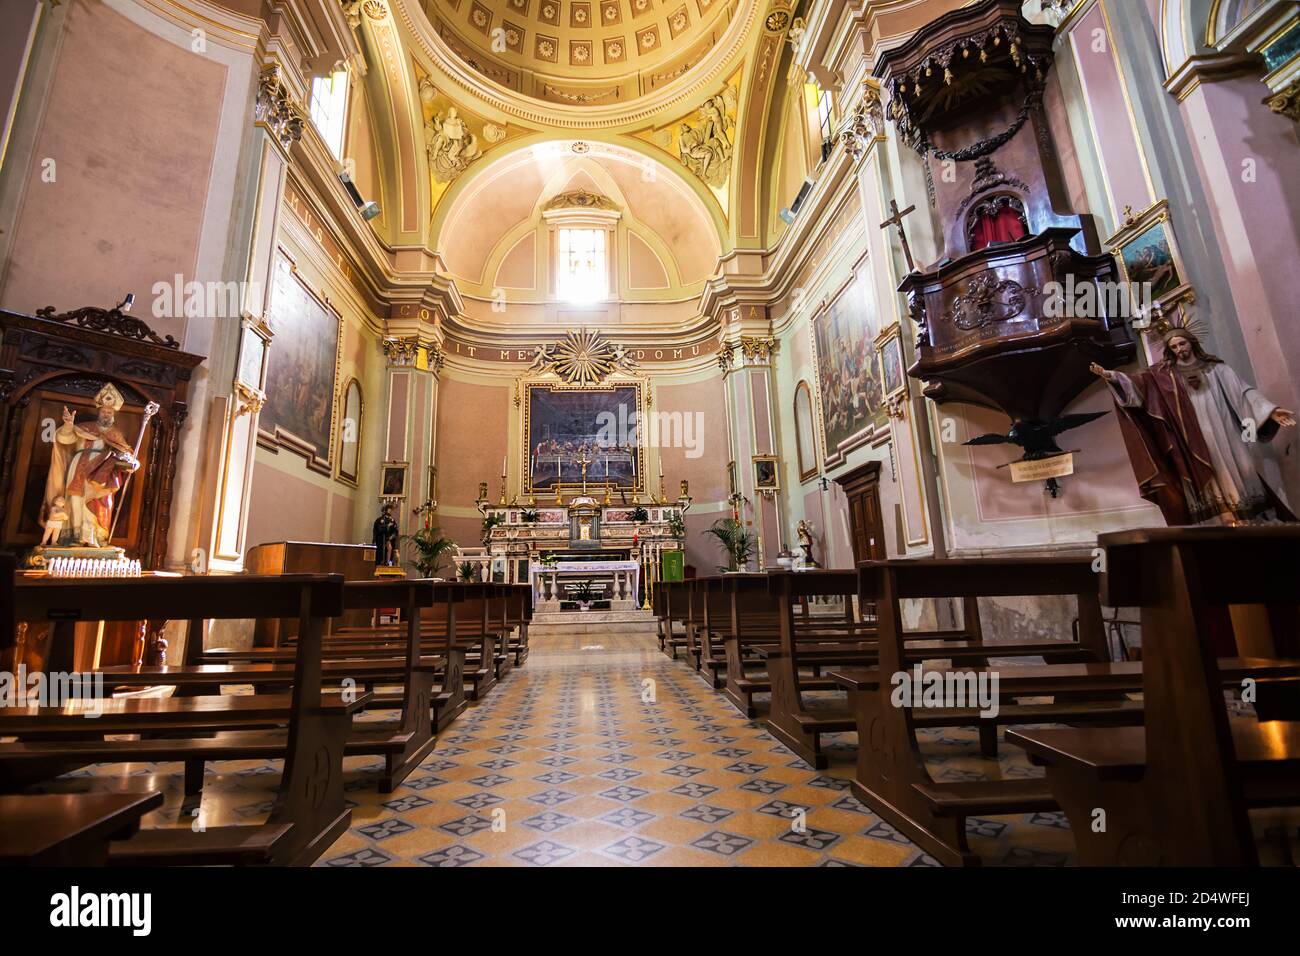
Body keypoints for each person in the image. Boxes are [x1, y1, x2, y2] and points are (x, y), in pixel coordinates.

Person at [1090, 327, 1295, 525]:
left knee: (1243, 466)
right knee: (1211, 469)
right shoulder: (1164, 375)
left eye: (1182, 343)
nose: (1180, 349)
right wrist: (1112, 377)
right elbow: (1139, 385)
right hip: (1194, 435)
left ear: (1192, 343)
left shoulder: (1217, 369)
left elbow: (1243, 394)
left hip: (1225, 430)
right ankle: (1223, 518)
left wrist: (1270, 411)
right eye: (1174, 347)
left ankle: (1251, 517)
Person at [42, 383, 139, 547]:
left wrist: (132, 461)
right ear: (99, 412)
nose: (106, 414)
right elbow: (65, 439)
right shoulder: (84, 428)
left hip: (101, 472)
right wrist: (67, 425)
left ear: (113, 415)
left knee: (99, 502)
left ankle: (94, 537)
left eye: (109, 412)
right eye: (103, 411)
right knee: (75, 500)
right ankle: (75, 537)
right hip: (79, 467)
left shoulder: (116, 434)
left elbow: (124, 453)